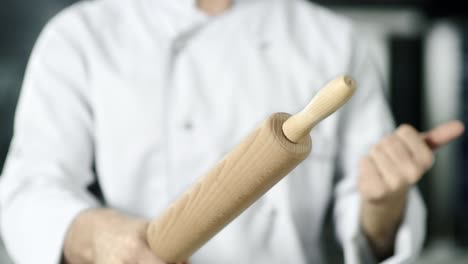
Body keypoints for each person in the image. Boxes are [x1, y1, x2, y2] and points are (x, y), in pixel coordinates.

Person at [0, 0, 464, 263]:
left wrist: (383, 203)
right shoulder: (82, 35)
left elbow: (370, 234)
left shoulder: (332, 39)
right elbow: (29, 189)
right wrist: (93, 233)